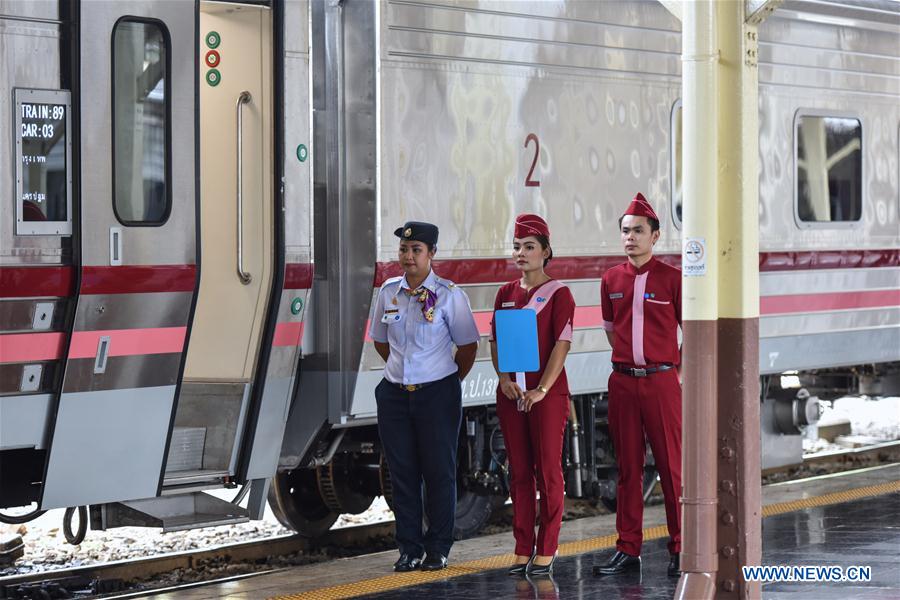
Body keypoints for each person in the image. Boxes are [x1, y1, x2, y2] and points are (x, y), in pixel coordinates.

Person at [369, 221, 480, 572]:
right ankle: (409, 548)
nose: (408, 256)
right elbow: (380, 340)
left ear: (432, 254)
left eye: (416, 250)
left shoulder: (449, 295)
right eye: (404, 249)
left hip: (437, 394)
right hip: (395, 395)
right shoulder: (388, 292)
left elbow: (467, 346)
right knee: (402, 473)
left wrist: (443, 382)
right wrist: (404, 374)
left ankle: (438, 547)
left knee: (438, 472)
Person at [593, 193, 683, 578]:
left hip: (662, 382)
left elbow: (690, 332)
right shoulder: (610, 279)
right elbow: (613, 333)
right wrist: (633, 362)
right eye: (626, 232)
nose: (630, 238)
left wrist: (674, 373)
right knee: (627, 468)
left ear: (656, 236)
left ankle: (681, 547)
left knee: (671, 467)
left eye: (638, 231)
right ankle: (628, 549)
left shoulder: (673, 278)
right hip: (624, 383)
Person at [489, 214, 575, 577]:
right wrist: (504, 379)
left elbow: (562, 344)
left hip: (547, 396)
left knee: (548, 472)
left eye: (529, 247)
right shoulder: (505, 293)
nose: (521, 253)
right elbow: (494, 341)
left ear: (546, 252)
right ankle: (522, 547)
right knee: (520, 473)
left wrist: (542, 389)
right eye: (517, 247)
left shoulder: (559, 294)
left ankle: (547, 546)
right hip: (511, 395)